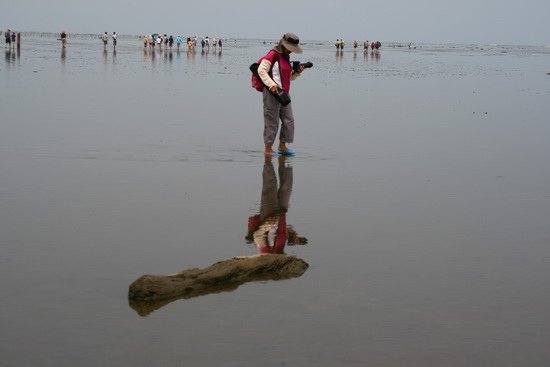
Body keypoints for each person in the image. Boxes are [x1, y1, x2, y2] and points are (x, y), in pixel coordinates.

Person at [257, 32, 308, 156]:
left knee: (289, 120)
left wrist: (297, 72)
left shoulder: (286, 57)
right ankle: (268, 148)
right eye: (289, 48)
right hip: (272, 93)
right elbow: (261, 70)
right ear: (283, 44)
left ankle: (282, 146)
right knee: (272, 121)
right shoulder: (272, 54)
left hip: (284, 94)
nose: (291, 51)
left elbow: (288, 78)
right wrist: (271, 85)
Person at [246, 155, 307, 253]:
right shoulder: (280, 247)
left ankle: (268, 160)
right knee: (287, 186)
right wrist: (295, 237)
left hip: (268, 215)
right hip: (281, 214)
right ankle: (286, 161)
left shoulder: (265, 251)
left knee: (270, 184)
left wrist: (267, 225)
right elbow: (282, 230)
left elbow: (257, 235)